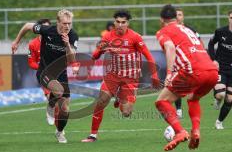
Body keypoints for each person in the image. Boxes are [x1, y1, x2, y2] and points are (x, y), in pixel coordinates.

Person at [81, 9, 160, 142]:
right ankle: (93, 135)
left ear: (127, 23)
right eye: (118, 22)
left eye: (123, 22)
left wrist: (155, 75)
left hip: (130, 77)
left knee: (126, 113)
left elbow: (148, 56)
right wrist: (100, 50)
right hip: (112, 75)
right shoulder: (107, 36)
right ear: (114, 22)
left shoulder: (135, 37)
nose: (120, 25)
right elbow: (95, 55)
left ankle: (120, 97)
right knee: (101, 101)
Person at [155, 4, 218, 151]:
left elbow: (170, 47)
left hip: (192, 71)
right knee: (193, 98)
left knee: (161, 101)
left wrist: (169, 74)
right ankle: (195, 130)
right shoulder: (187, 29)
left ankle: (179, 131)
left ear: (161, 19)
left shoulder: (163, 31)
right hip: (212, 71)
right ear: (176, 18)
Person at [12, 9, 79, 143]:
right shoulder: (47, 30)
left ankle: (59, 132)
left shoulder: (72, 35)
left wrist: (67, 44)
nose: (67, 26)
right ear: (58, 22)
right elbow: (26, 26)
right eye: (65, 23)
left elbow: (72, 59)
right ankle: (50, 105)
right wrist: (16, 41)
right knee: (58, 92)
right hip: (44, 72)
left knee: (65, 109)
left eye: (69, 23)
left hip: (61, 74)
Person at [175, 8, 204, 118]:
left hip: (192, 61)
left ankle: (193, 110)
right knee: (177, 85)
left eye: (180, 14)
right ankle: (178, 110)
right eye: (176, 15)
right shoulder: (172, 30)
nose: (178, 17)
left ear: (183, 17)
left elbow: (200, 42)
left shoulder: (190, 29)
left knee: (193, 88)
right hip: (178, 60)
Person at [27, 18, 55, 125]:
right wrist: (41, 67)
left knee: (61, 100)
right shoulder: (33, 44)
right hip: (43, 74)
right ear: (38, 29)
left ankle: (52, 111)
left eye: (48, 27)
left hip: (56, 72)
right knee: (50, 96)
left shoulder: (55, 41)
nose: (46, 29)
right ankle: (51, 112)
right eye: (44, 27)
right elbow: (31, 62)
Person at [208, 10, 232, 129]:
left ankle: (219, 121)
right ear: (228, 18)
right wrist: (213, 60)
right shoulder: (220, 31)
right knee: (221, 94)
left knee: (230, 98)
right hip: (221, 67)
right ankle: (217, 98)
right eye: (231, 17)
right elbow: (211, 44)